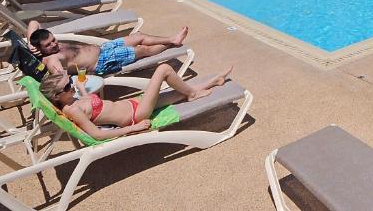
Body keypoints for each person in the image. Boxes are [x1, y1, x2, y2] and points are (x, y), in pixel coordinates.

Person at [40, 63, 233, 140]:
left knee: (179, 92)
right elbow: (97, 134)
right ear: (56, 96)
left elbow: (86, 103)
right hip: (136, 115)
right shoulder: (72, 112)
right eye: (66, 87)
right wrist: (133, 128)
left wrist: (80, 85)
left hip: (134, 104)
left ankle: (214, 81)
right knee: (164, 69)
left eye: (69, 82)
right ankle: (193, 94)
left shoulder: (71, 100)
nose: (70, 87)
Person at [27, 20, 189, 76]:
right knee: (142, 49)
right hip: (102, 62)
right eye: (48, 45)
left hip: (103, 48)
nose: (54, 44)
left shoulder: (44, 42)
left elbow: (33, 23)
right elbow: (59, 78)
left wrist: (29, 42)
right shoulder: (52, 59)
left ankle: (172, 39)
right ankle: (169, 45)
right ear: (40, 49)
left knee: (139, 36)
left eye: (53, 40)